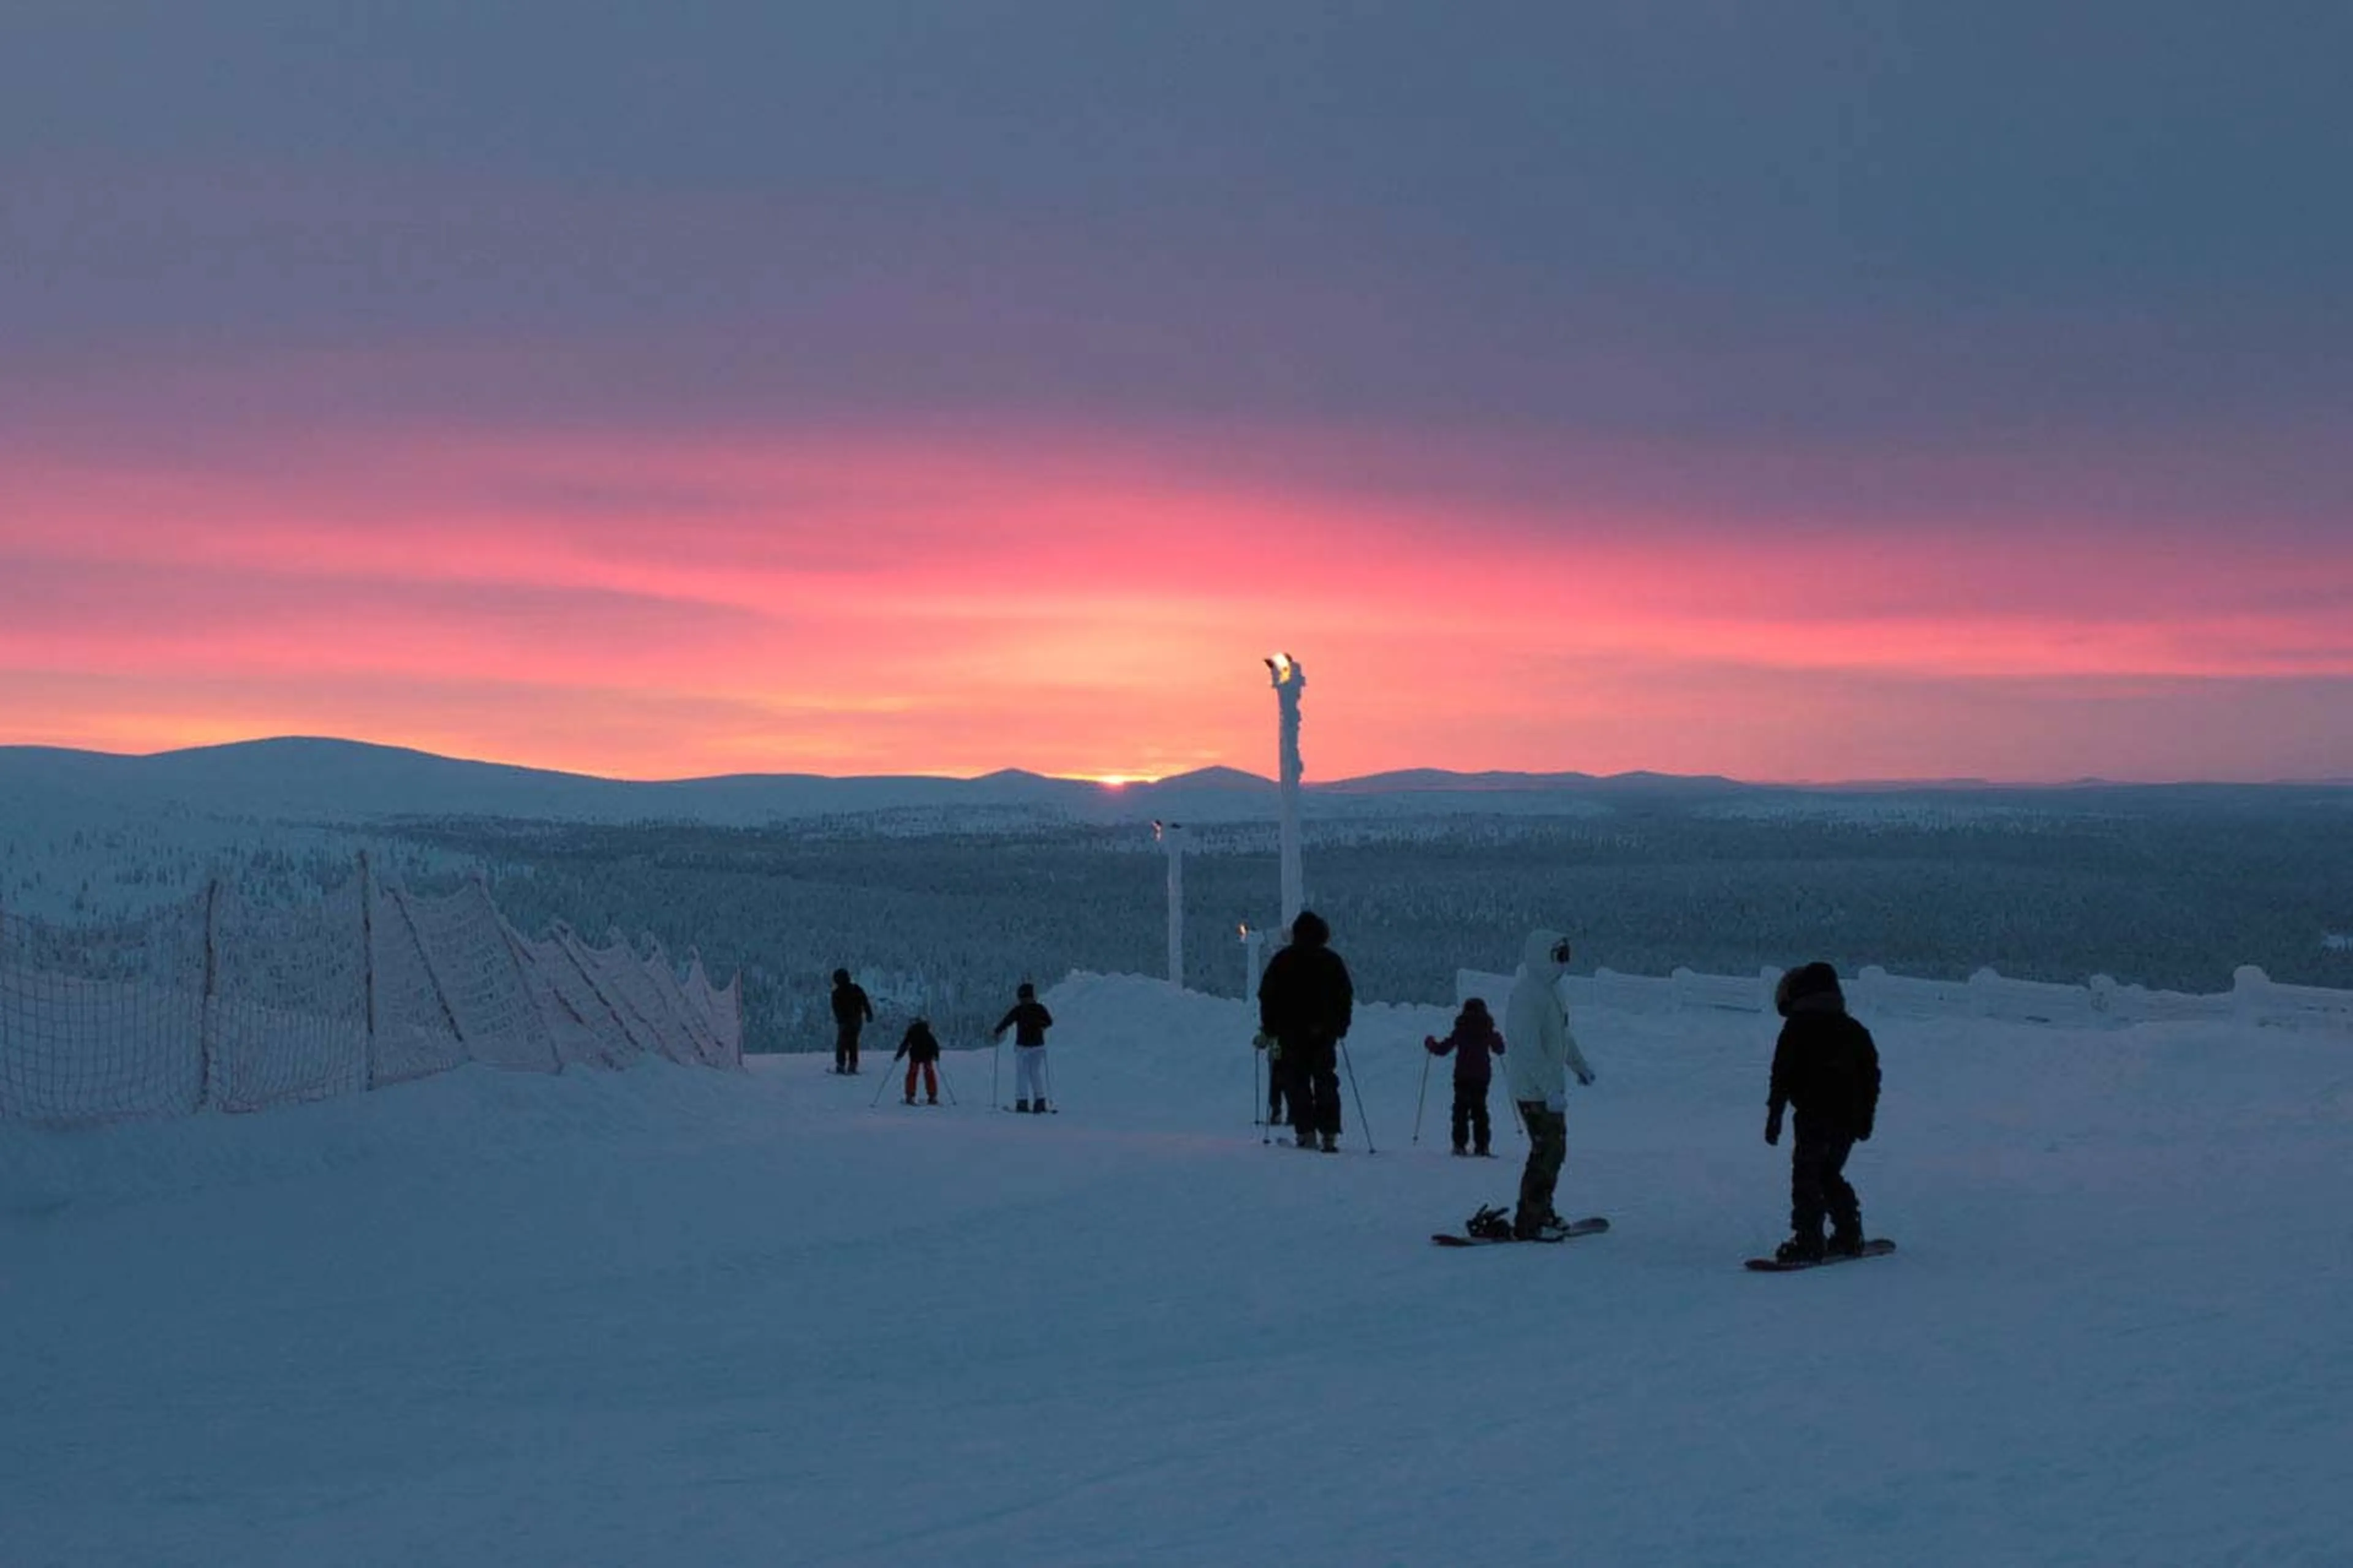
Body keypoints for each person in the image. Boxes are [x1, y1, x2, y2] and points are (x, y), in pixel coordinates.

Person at [1765, 961, 1881, 1262]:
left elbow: (1781, 1075)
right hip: (1847, 1117)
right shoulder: (1855, 1031)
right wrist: (1865, 1118)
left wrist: (1775, 1114)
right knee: (1828, 1173)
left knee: (1807, 1176)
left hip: (1813, 1115)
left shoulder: (1796, 1029)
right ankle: (1848, 1232)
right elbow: (1870, 1079)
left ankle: (1808, 1240)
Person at [1502, 929, 1595, 1239]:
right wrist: (1549, 1089)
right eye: (1561, 956)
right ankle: (1530, 1221)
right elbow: (1527, 1048)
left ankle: (1542, 1212)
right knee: (1546, 1151)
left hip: (1549, 1091)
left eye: (1567, 956)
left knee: (1554, 1151)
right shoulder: (1528, 995)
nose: (1565, 963)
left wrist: (1580, 1066)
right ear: (1544, 956)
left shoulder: (1554, 992)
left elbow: (1561, 1037)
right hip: (1533, 1091)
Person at [1256, 909, 1355, 1153]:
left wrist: (1270, 1027)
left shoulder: (1283, 960)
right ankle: (1329, 1134)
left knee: (1296, 1081)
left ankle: (1306, 1132)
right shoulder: (1332, 961)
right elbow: (1345, 996)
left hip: (1291, 1032)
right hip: (1324, 1032)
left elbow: (1267, 996)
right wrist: (1340, 1026)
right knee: (1325, 1080)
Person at [1425, 996, 1506, 1156]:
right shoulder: (1487, 1029)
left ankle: (1459, 1145)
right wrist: (1498, 1040)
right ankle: (1482, 1146)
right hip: (1482, 1076)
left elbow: (1443, 1049)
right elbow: (1500, 1050)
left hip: (1463, 1075)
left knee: (1461, 1110)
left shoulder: (1462, 1029)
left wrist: (1431, 1044)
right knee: (1480, 1110)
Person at [993, 982, 1055, 1112]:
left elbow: (1007, 1021)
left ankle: (1022, 1102)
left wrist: (997, 1031)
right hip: (1038, 1046)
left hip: (1023, 1047)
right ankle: (1040, 1101)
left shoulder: (1019, 1010)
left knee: (1022, 1074)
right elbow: (1049, 1022)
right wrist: (1039, 1024)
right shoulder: (1040, 1009)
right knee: (1035, 1073)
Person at [830, 968, 874, 1074]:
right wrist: (869, 1014)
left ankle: (841, 1066)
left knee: (842, 1044)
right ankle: (852, 1066)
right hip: (856, 1020)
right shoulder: (856, 989)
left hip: (844, 1022)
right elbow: (865, 1002)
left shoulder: (837, 993)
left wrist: (840, 1019)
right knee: (853, 1043)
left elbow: (836, 1008)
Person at [894, 1015, 942, 1105]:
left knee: (912, 1075)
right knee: (929, 1075)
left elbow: (905, 1044)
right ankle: (932, 1097)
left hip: (915, 1056)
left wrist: (899, 1056)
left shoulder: (912, 1032)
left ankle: (910, 1096)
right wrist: (936, 1055)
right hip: (927, 1056)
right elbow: (934, 1044)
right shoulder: (927, 1032)